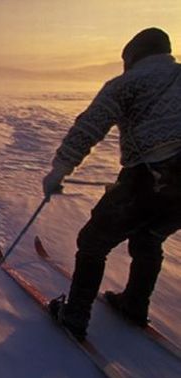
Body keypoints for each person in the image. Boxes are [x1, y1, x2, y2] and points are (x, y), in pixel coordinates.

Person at [42, 27, 181, 340]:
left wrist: (58, 171)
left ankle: (74, 316)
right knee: (149, 238)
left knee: (92, 242)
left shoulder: (127, 83)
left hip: (148, 178)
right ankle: (134, 305)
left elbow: (88, 128)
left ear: (132, 57)